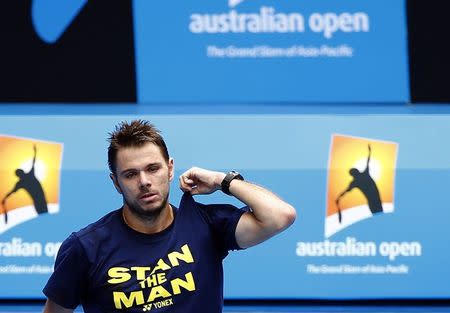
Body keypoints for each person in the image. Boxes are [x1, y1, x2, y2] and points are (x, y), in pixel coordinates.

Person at [42, 119, 296, 313]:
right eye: (130, 174)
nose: (144, 182)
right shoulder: (85, 248)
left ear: (170, 169)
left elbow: (280, 215)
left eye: (153, 169)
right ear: (116, 183)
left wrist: (222, 180)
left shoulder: (205, 224)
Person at [335, 143, 383, 223]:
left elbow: (368, 161)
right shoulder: (361, 177)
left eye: (354, 172)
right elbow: (346, 191)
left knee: (378, 215)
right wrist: (339, 197)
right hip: (374, 199)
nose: (355, 174)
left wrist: (339, 198)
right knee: (378, 215)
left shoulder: (357, 180)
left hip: (374, 199)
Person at [2, 144, 48, 224]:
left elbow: (33, 162)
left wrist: (35, 152)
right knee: (44, 217)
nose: (21, 174)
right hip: (39, 200)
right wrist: (5, 198)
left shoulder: (24, 180)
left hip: (40, 200)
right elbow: (12, 191)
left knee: (44, 217)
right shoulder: (24, 180)